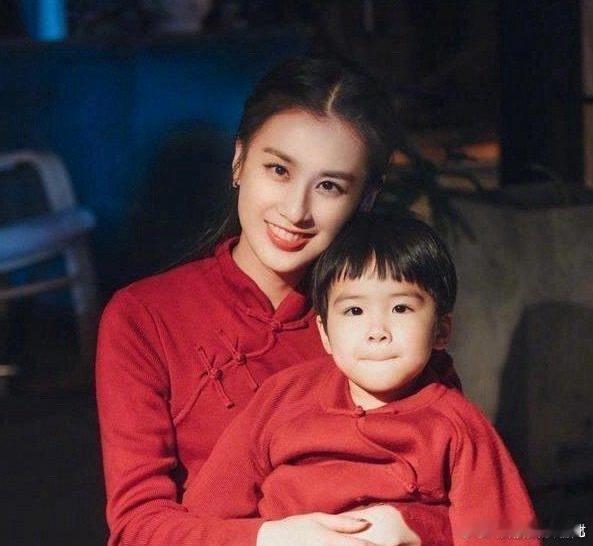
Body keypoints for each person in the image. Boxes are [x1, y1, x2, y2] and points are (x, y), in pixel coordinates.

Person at [96, 56, 459, 546]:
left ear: (367, 198)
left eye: (329, 186)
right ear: (239, 160)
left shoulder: (388, 317)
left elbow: (468, 494)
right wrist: (271, 538)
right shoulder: (144, 317)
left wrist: (413, 527)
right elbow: (136, 529)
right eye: (279, 170)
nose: (295, 210)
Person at [181, 212, 540, 546]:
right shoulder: (283, 397)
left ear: (441, 330)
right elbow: (207, 512)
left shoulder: (456, 426)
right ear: (324, 333)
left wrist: (417, 527)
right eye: (354, 310)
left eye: (401, 308)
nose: (377, 331)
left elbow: (503, 536)